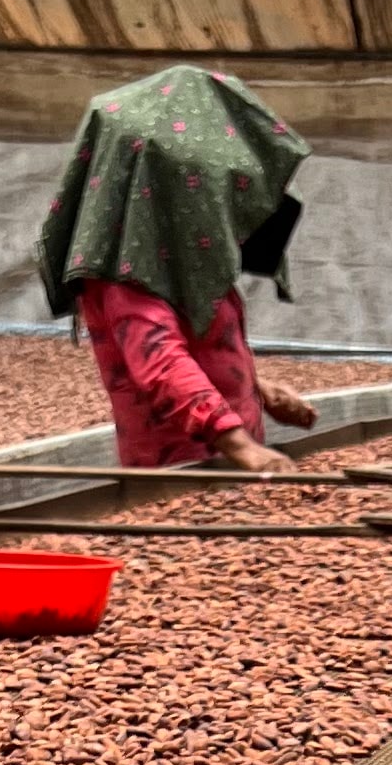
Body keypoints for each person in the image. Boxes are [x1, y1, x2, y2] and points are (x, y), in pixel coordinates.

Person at [38, 62, 319, 473]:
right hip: (179, 470)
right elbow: (161, 362)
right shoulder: (123, 270)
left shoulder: (188, 255)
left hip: (230, 469)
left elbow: (201, 346)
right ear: (170, 188)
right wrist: (242, 447)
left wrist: (258, 390)